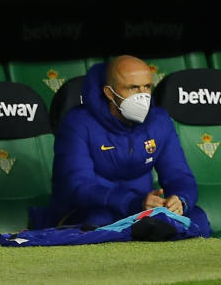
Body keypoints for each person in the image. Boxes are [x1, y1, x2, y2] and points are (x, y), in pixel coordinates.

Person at [30, 55, 211, 237]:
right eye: (133, 88)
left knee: (198, 217)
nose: (142, 96)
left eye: (147, 87)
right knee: (99, 219)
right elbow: (78, 187)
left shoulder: (159, 121)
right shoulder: (78, 123)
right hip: (87, 212)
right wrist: (134, 203)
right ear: (109, 93)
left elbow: (179, 175)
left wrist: (180, 200)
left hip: (142, 212)